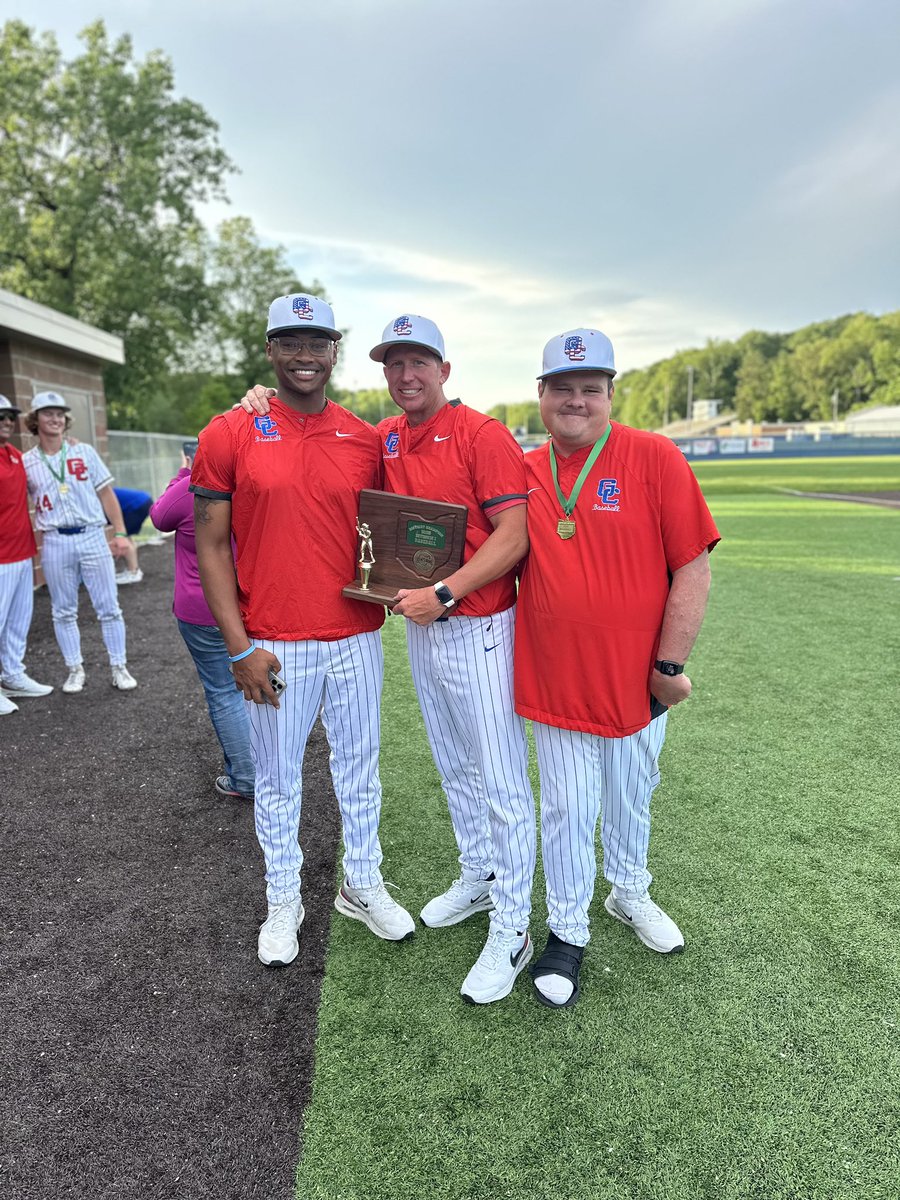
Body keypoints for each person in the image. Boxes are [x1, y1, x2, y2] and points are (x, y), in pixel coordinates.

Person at [240, 314, 538, 1005]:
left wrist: (445, 589)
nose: (406, 376)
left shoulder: (482, 433)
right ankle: (478, 876)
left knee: (500, 780)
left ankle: (515, 925)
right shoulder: (386, 436)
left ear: (444, 369)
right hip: (424, 629)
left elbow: (514, 535)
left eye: (419, 363)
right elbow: (307, 435)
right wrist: (260, 399)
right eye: (394, 364)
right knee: (456, 769)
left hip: (481, 625)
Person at [191, 294, 415, 969]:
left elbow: (393, 528)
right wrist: (240, 648)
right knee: (281, 778)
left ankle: (363, 883)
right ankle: (283, 899)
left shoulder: (364, 437)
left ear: (334, 350)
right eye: (290, 342)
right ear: (270, 350)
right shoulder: (229, 430)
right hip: (274, 642)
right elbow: (210, 547)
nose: (305, 355)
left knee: (359, 771)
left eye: (317, 342)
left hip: (354, 637)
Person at [514, 329, 720, 1009]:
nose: (576, 400)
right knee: (568, 809)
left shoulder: (653, 456)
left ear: (609, 395)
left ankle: (628, 893)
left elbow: (692, 566)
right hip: (555, 679)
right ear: (541, 394)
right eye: (562, 387)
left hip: (637, 682)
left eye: (590, 389)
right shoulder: (521, 467)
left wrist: (669, 664)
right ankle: (566, 931)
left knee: (632, 796)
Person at [150, 450, 255, 802]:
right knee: (256, 688)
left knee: (225, 692)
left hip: (203, 609)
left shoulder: (193, 486)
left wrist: (181, 471)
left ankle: (245, 776)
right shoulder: (254, 481)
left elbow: (159, 517)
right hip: (251, 603)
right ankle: (269, 767)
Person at [22, 392, 138, 694]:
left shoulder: (83, 451)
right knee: (62, 610)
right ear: (35, 420)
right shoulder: (27, 462)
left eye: (60, 414)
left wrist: (121, 533)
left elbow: (106, 494)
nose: (56, 418)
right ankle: (75, 669)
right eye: (48, 413)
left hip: (91, 534)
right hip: (55, 540)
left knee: (109, 607)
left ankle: (119, 667)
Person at [0, 395, 53, 714]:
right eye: (1, 417)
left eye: (10, 417)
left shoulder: (15, 456)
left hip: (21, 552)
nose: (7, 421)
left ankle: (12, 674)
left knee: (18, 620)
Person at [112, 487, 152, 585]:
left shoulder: (98, 496)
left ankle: (133, 573)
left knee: (121, 536)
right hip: (143, 501)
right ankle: (133, 570)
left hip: (138, 505)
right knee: (125, 535)